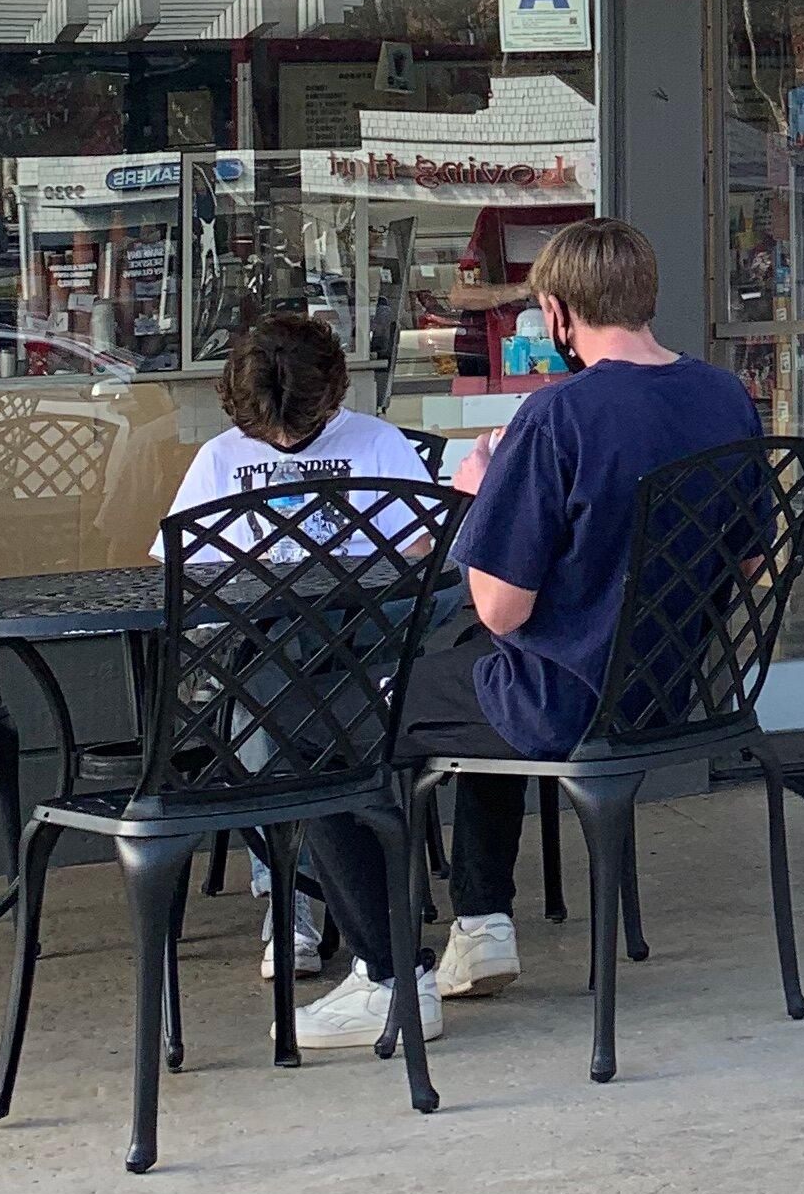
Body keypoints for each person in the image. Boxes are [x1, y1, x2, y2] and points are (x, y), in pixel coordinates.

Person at [294, 214, 760, 1053]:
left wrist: (481, 490)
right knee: (471, 670)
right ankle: (483, 924)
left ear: (555, 312)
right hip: (675, 693)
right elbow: (752, 561)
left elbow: (504, 605)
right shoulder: (724, 396)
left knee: (319, 729)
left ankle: (387, 979)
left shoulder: (559, 417)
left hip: (565, 700)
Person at [158, 310, 437, 984]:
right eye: (267, 430)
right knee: (268, 693)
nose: (284, 439)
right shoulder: (221, 457)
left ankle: (296, 902)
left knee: (269, 716)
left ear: (335, 396)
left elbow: (426, 549)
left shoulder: (374, 443)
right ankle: (301, 897)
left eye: (301, 427)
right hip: (265, 652)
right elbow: (180, 565)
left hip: (362, 656)